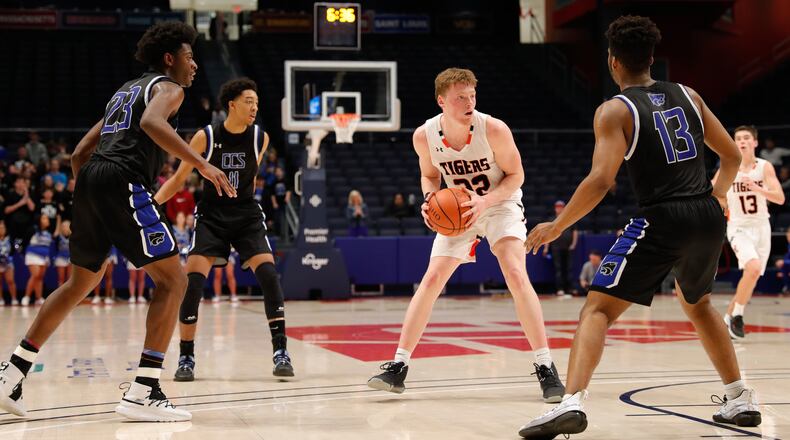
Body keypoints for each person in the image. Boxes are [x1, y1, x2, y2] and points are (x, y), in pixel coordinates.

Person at [519, 16, 761, 438]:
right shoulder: (690, 95)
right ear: (653, 58)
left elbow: (600, 180)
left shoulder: (614, 110)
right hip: (706, 214)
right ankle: (739, 397)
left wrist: (558, 224)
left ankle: (571, 402)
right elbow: (732, 159)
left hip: (663, 216)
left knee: (597, 308)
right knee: (699, 304)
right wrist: (717, 198)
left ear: (613, 62)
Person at [0, 21, 234, 422]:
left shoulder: (124, 91)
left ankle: (11, 373)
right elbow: (151, 125)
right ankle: (143, 389)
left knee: (81, 282)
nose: (194, 64)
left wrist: (92, 195)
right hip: (121, 179)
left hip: (91, 180)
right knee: (174, 280)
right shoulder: (168, 88)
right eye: (189, 56)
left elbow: (79, 152)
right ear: (169, 58)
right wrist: (204, 165)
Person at [367, 68, 565, 402]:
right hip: (458, 210)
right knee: (431, 280)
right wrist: (430, 200)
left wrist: (486, 200)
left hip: (498, 204)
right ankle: (398, 366)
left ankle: (546, 366)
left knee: (516, 274)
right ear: (442, 100)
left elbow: (517, 175)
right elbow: (429, 177)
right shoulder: (424, 136)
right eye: (461, 97)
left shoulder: (494, 129)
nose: (469, 102)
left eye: (472, 95)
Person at [155, 77, 293, 383]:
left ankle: (281, 351)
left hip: (245, 214)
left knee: (269, 275)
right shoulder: (205, 137)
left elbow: (250, 178)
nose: (254, 107)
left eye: (256, 103)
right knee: (193, 283)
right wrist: (152, 204)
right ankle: (186, 356)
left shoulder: (260, 137)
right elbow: (179, 180)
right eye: (248, 101)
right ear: (231, 105)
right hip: (212, 215)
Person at [713, 125, 784, 339]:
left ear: (755, 143)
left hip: (762, 227)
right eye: (738, 139)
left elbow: (779, 198)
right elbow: (712, 194)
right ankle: (738, 316)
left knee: (751, 277)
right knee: (752, 268)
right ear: (734, 144)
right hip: (738, 227)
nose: (742, 141)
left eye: (746, 138)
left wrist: (757, 188)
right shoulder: (727, 168)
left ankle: (729, 318)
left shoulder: (764, 167)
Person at [544, 200, 578, 295]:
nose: (559, 209)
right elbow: (547, 234)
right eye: (557, 207)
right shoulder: (551, 219)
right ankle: (560, 289)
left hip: (568, 247)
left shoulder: (569, 218)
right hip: (556, 247)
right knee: (558, 269)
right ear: (555, 208)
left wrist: (573, 244)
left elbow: (574, 232)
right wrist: (546, 247)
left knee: (569, 268)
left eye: (561, 207)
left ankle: (570, 288)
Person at [22, 216, 52, 306]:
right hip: (32, 255)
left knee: (40, 277)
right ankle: (26, 297)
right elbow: (25, 242)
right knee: (35, 275)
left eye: (47, 218)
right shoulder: (33, 230)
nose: (47, 220)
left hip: (44, 257)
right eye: (44, 218)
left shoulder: (48, 233)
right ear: (39, 220)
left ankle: (38, 298)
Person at [0, 221, 18, 306]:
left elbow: (13, 251)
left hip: (8, 263)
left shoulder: (9, 239)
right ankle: (1, 299)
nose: (1, 229)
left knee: (10, 281)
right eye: (0, 228)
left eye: (3, 228)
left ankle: (14, 298)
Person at [54, 220, 72, 288]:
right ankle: (60, 296)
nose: (65, 228)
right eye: (63, 226)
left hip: (70, 259)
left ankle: (70, 296)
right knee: (61, 279)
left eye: (67, 226)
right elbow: (55, 248)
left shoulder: (73, 237)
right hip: (60, 258)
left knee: (70, 279)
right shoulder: (58, 236)